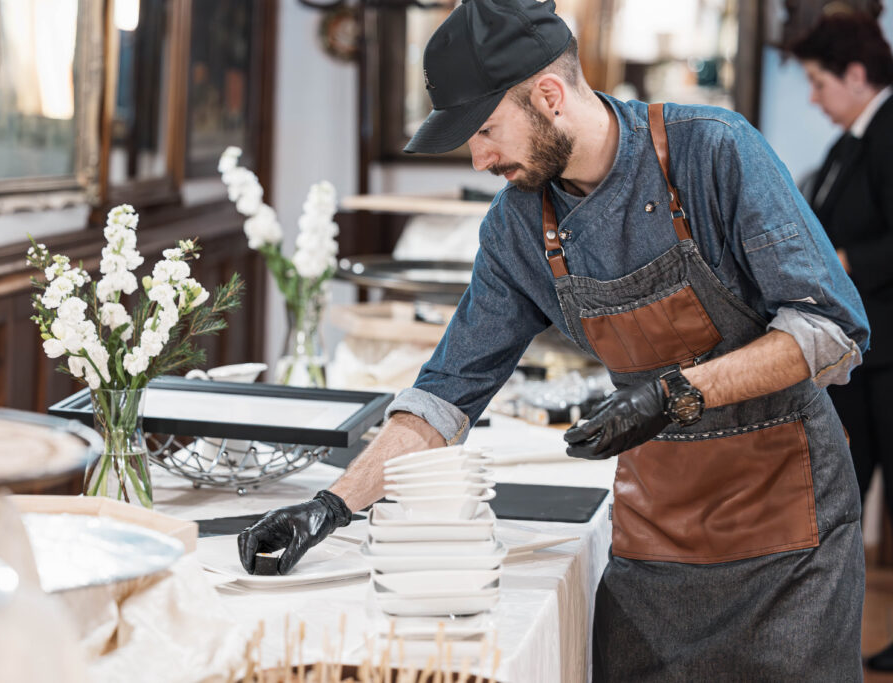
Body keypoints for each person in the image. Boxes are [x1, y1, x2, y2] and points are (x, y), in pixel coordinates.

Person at [239, 0, 870, 679]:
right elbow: (445, 394)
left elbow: (829, 327)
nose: (479, 158)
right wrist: (329, 507)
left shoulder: (712, 150)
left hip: (789, 538)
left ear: (548, 95)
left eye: (485, 129)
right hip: (655, 546)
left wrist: (679, 391)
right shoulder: (517, 229)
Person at [791, 11, 893, 673]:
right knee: (835, 493)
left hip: (890, 353)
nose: (812, 98)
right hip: (866, 352)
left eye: (819, 83)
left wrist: (840, 258)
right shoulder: (852, 139)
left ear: (857, 76)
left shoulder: (889, 133)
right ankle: (816, 638)